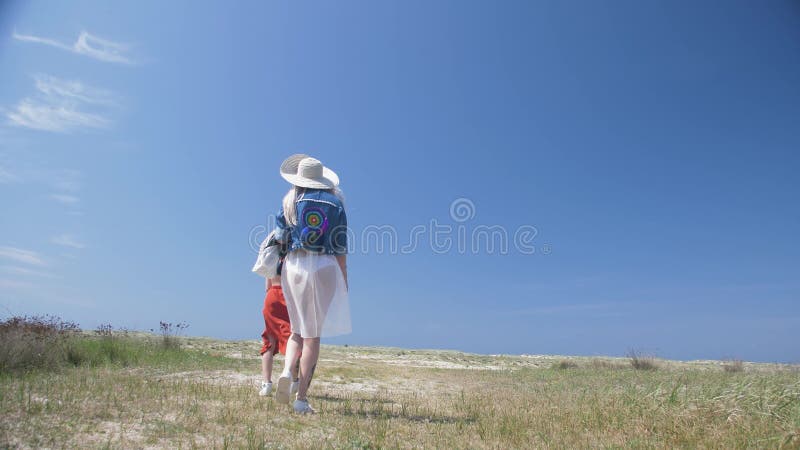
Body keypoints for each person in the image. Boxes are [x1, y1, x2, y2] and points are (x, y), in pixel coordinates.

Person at [273, 154, 351, 414]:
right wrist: (344, 277)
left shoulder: (289, 201)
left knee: (296, 329)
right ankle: (301, 398)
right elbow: (340, 247)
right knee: (313, 335)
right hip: (324, 266)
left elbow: (281, 238)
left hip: (293, 265)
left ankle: (286, 372)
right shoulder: (336, 203)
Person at [257, 239, 300, 397]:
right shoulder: (294, 258)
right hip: (288, 297)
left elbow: (267, 286)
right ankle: (295, 380)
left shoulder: (270, 257)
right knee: (292, 338)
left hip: (272, 296)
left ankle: (266, 384)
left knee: (269, 340)